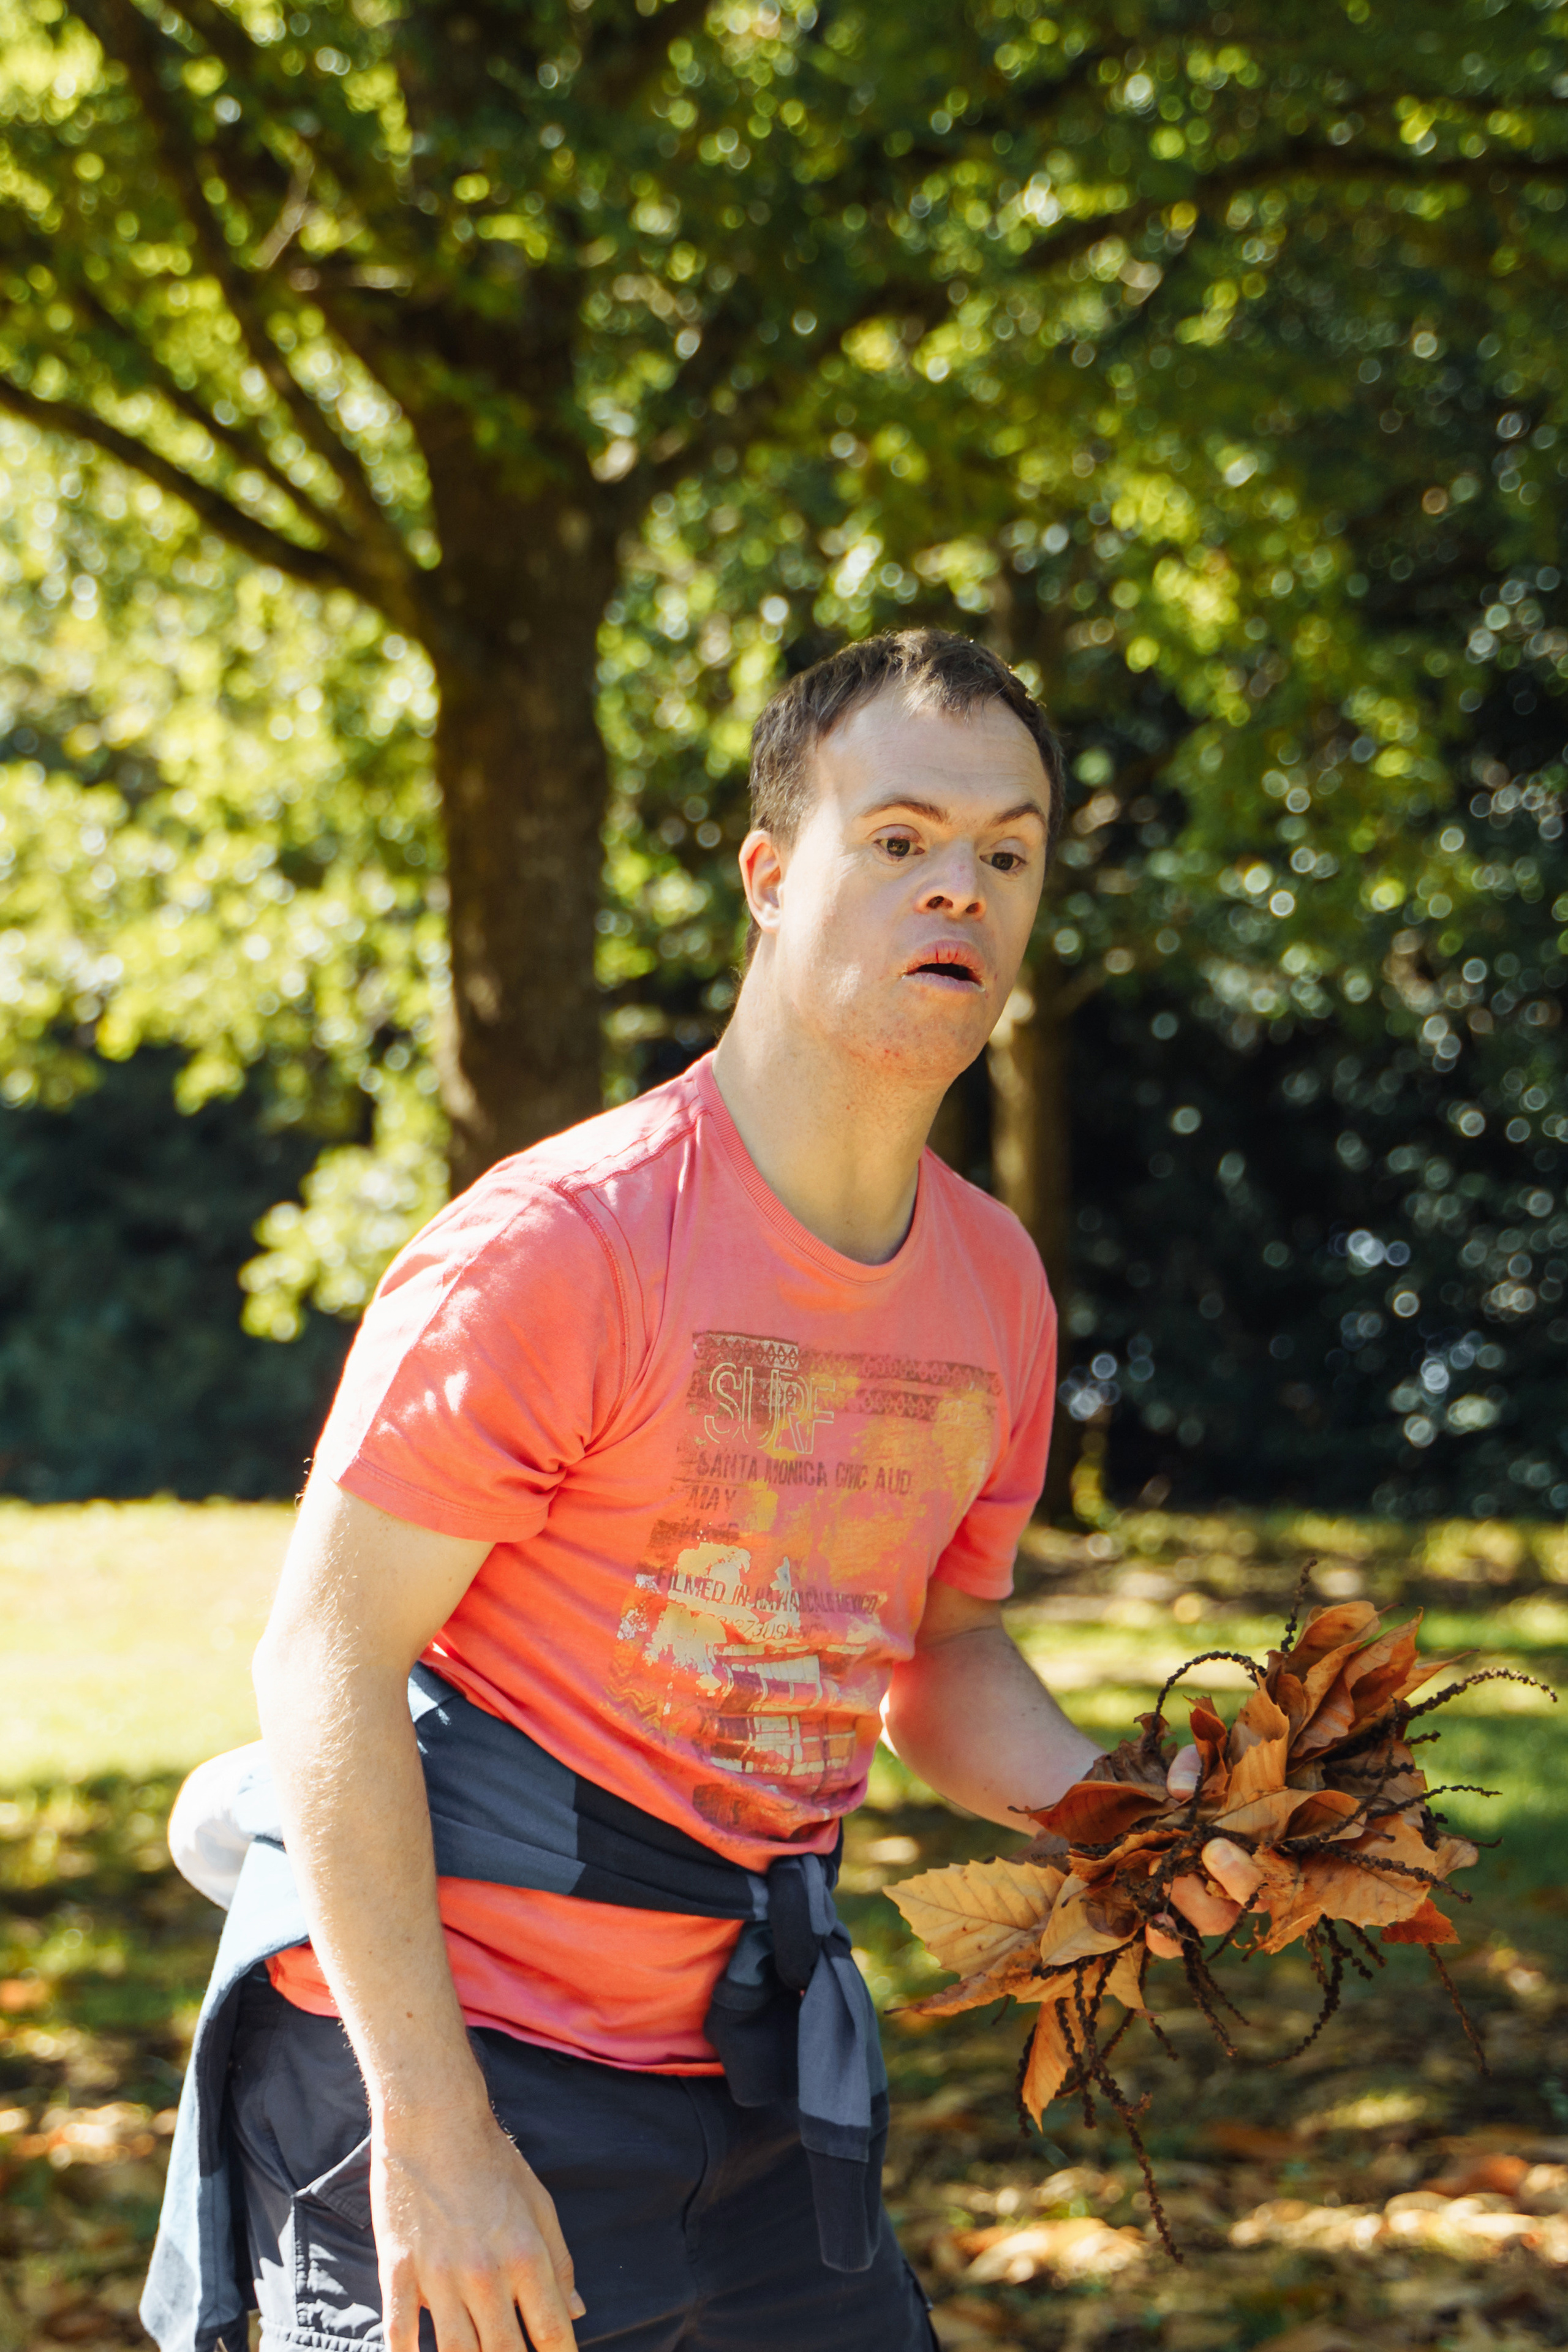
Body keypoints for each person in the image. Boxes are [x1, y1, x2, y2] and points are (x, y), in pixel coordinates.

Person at [144, 627, 1240, 2352]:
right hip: (463, 2062)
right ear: (770, 873)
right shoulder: (567, 1246)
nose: (959, 888)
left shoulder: (995, 1289)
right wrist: (435, 2141)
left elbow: (941, 1654)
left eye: (1008, 853)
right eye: (900, 838)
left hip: (751, 2074)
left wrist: (1133, 1818)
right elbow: (326, 1661)